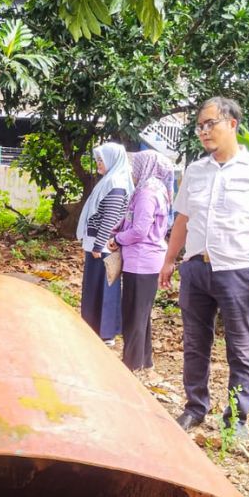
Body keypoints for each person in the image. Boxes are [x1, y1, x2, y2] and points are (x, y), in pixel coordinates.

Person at [159, 97, 249, 436]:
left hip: (239, 271)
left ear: (232, 124)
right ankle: (195, 407)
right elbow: (182, 220)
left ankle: (236, 419)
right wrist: (170, 260)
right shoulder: (196, 171)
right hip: (196, 269)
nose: (203, 131)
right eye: (199, 126)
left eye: (209, 123)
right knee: (195, 344)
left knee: (241, 348)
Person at [108, 150, 172, 372]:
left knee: (134, 314)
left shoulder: (146, 193)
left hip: (141, 261)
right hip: (147, 260)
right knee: (141, 314)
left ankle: (131, 363)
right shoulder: (158, 189)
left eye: (136, 165)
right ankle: (144, 360)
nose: (132, 171)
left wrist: (117, 238)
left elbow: (139, 230)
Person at [77, 142, 129, 343]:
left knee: (106, 287)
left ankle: (106, 333)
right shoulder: (109, 180)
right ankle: (93, 328)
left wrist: (99, 245)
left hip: (104, 247)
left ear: (113, 160)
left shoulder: (115, 183)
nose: (99, 163)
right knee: (94, 286)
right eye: (97, 160)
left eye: (102, 160)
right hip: (98, 245)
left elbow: (110, 217)